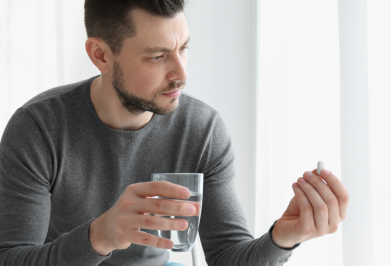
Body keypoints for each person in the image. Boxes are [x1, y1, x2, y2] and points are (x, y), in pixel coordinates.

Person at [0, 0, 349, 265]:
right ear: (101, 55)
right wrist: (100, 235)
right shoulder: (38, 129)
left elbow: (227, 256)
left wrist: (283, 238)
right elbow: (11, 257)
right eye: (157, 57)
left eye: (183, 49)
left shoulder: (202, 130)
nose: (181, 74)